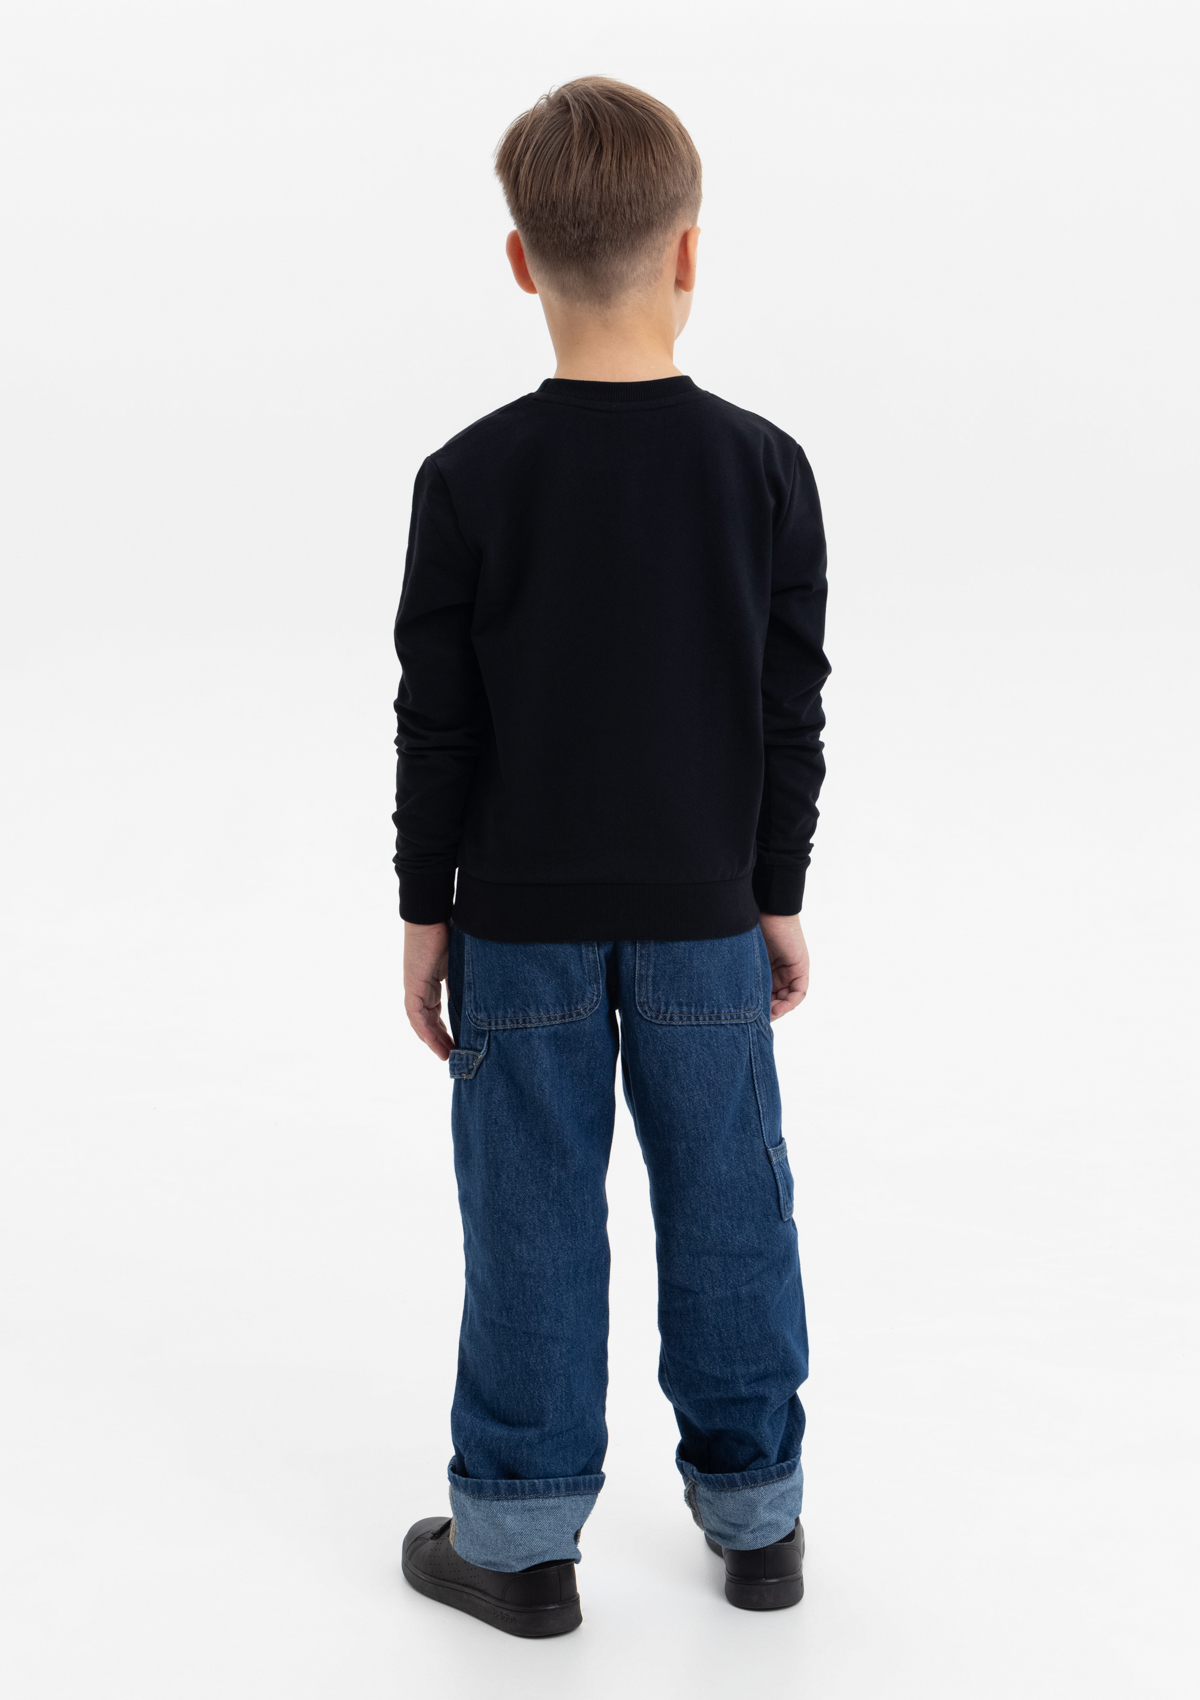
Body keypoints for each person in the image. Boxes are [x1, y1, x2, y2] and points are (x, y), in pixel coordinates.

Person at [394, 76, 829, 1637]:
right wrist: (774, 894)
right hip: (707, 915)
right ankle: (759, 1523)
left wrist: (425, 913)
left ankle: (518, 1544)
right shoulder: (763, 468)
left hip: (518, 923)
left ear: (521, 260)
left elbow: (438, 722)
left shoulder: (469, 477)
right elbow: (788, 706)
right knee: (730, 1206)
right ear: (690, 250)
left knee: (528, 1215)